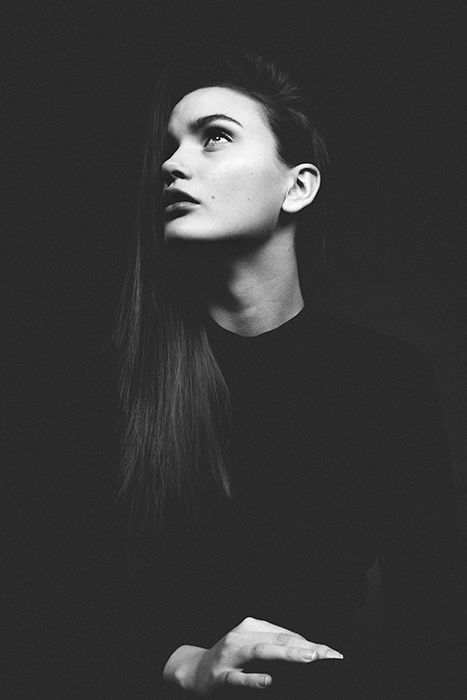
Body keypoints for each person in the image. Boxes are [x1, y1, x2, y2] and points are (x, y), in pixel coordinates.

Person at [115, 46, 459, 698]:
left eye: (212, 137)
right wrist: (187, 664)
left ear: (296, 185)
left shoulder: (385, 381)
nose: (170, 163)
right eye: (168, 145)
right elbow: (46, 604)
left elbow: (432, 627)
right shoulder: (122, 379)